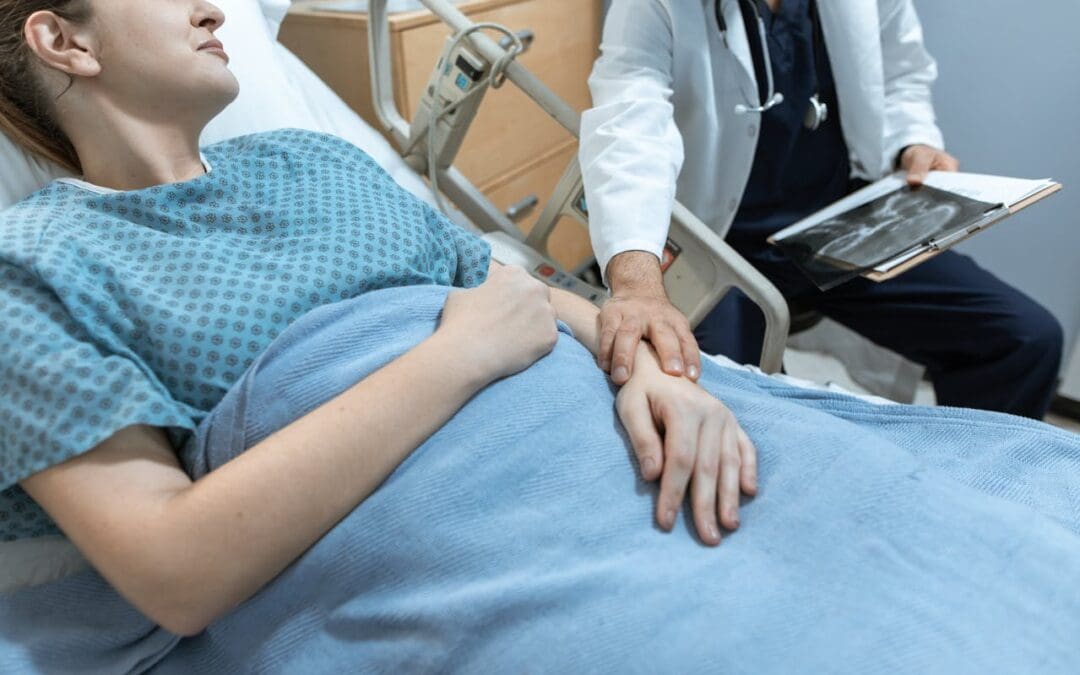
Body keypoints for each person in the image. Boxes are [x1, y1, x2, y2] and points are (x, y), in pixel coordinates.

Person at [1, 2, 1079, 671]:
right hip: (484, 543)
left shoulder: (314, 162)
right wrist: (460, 353)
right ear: (62, 38)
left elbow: (521, 301)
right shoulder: (37, 268)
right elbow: (175, 572)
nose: (210, 8)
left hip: (635, 437)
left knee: (1017, 528)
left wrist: (650, 370)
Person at [580, 0, 1064, 419]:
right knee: (727, 396)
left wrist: (913, 143)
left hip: (834, 222)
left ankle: (969, 492)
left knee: (1024, 340)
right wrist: (637, 284)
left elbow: (900, 74)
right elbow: (628, 128)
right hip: (719, 241)